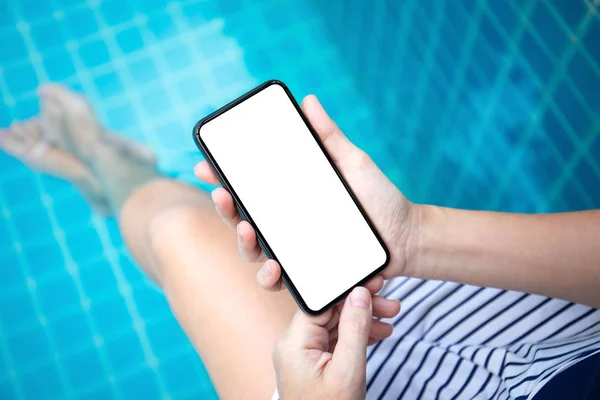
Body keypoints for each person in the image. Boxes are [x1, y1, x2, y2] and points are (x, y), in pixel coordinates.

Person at [1, 84, 598, 399]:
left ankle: (108, 169)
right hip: (522, 316)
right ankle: (114, 170)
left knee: (179, 232)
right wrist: (417, 235)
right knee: (220, 231)